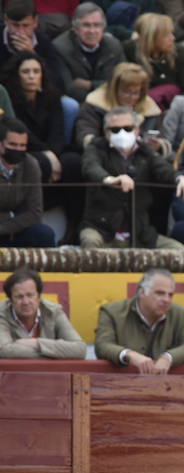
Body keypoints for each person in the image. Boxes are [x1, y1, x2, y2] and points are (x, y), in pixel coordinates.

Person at [79, 106, 184, 249]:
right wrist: (109, 179)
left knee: (178, 251)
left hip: (140, 233)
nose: (122, 133)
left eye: (127, 128)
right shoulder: (96, 147)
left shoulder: (145, 151)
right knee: (90, 241)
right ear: (106, 132)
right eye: (115, 129)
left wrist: (180, 178)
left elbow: (163, 169)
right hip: (101, 229)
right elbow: (90, 168)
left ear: (137, 130)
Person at [94, 267, 184, 373]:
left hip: (164, 385)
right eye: (160, 293)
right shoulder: (111, 312)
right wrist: (129, 354)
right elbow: (102, 345)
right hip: (120, 384)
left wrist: (168, 357)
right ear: (142, 292)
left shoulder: (179, 313)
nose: (166, 300)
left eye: (170, 295)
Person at [2, 52, 64, 184]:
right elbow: (19, 130)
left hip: (51, 149)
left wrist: (53, 153)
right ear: (16, 75)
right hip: (24, 148)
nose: (31, 76)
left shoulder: (52, 97)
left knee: (72, 161)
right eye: (25, 72)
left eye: (36, 71)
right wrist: (45, 152)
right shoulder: (9, 99)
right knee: (40, 162)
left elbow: (57, 131)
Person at [0, 267, 84, 358]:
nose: (26, 302)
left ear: (39, 296)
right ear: (11, 300)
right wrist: (58, 354)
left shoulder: (53, 311)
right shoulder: (2, 314)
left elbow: (80, 349)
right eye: (19, 297)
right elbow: (5, 351)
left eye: (30, 295)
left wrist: (37, 343)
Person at [50, 3, 121, 101]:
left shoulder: (114, 45)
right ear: (75, 28)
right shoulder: (59, 48)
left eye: (97, 25)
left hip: (110, 100)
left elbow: (122, 82)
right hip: (79, 102)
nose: (92, 31)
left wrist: (90, 85)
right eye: (86, 25)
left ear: (103, 28)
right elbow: (67, 88)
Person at [0, 119, 54, 247]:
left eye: (22, 146)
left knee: (44, 234)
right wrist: (11, 215)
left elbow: (35, 213)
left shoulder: (30, 164)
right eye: (13, 145)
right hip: (12, 225)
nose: (18, 150)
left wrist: (6, 227)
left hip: (15, 230)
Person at [124, 12, 184, 109]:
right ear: (151, 37)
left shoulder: (178, 52)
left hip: (175, 108)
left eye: (172, 33)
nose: (173, 38)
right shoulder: (129, 51)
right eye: (166, 35)